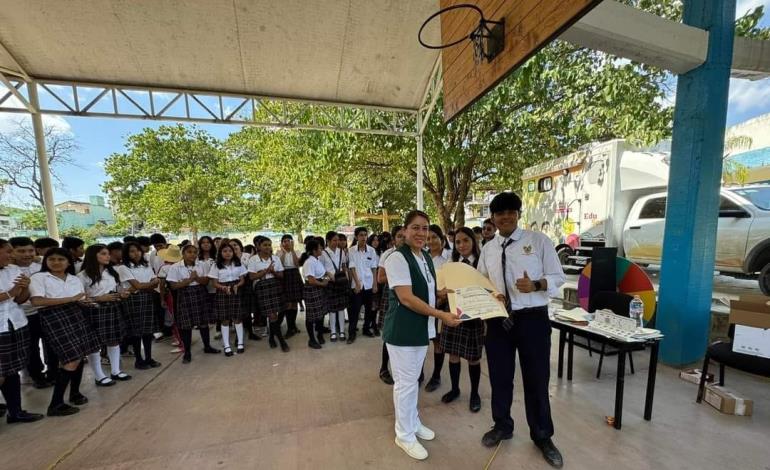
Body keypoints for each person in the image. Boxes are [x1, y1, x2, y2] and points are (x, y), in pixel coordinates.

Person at [477, 192, 566, 468]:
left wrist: (537, 285)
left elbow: (558, 277)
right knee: (500, 378)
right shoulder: (489, 248)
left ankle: (542, 436)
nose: (505, 217)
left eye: (511, 211)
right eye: (500, 213)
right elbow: (482, 281)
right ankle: (502, 425)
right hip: (498, 320)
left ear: (518, 214)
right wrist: (491, 295)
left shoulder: (538, 242)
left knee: (537, 379)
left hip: (532, 319)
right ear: (493, 217)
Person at [382, 210, 461, 461]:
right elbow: (406, 298)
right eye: (415, 228)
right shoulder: (397, 258)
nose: (421, 233)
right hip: (403, 330)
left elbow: (427, 291)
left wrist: (445, 293)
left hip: (420, 328)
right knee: (405, 384)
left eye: (425, 228)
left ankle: (413, 422)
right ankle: (404, 435)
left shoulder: (425, 257)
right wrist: (441, 314)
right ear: (404, 230)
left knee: (413, 379)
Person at [29, 248, 101, 416]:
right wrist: (71, 299)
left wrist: (88, 303)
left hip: (76, 314)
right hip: (54, 318)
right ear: (45, 260)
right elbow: (37, 301)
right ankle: (56, 403)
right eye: (51, 259)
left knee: (80, 355)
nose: (56, 262)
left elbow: (80, 299)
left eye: (60, 259)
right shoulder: (39, 278)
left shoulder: (73, 279)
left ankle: (75, 393)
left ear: (68, 262)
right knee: (71, 359)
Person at [439, 227, 484, 412]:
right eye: (458, 242)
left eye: (466, 240)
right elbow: (443, 286)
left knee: (473, 357)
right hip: (454, 312)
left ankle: (474, 393)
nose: (462, 245)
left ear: (473, 241)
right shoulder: (451, 263)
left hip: (475, 315)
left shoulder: (481, 263)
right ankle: (455, 388)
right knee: (453, 354)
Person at [0, 238, 44, 424]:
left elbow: (20, 299)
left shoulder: (13, 270)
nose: (11, 256)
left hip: (16, 322)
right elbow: (11, 294)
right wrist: (14, 290)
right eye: (8, 252)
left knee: (11, 370)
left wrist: (24, 288)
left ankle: (15, 411)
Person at [78, 245, 131, 385]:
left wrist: (121, 294)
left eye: (108, 254)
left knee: (114, 340)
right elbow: (79, 299)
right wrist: (98, 298)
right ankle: (99, 375)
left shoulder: (111, 272)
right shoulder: (83, 276)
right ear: (93, 256)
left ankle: (116, 370)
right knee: (94, 344)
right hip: (94, 310)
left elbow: (117, 289)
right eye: (103, 254)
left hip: (112, 308)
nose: (107, 256)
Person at [166, 244, 221, 364]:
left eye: (195, 252)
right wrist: (190, 280)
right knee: (186, 325)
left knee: (203, 322)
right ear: (183, 254)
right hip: (184, 295)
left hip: (200, 293)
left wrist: (196, 279)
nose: (192, 255)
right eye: (189, 252)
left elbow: (206, 281)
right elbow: (173, 286)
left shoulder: (201, 265)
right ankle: (187, 352)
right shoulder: (175, 267)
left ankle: (207, 346)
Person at [9, 237, 52, 389]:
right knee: (31, 347)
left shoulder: (40, 266)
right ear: (11, 252)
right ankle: (37, 375)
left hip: (44, 310)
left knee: (50, 342)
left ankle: (52, 371)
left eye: (30, 250)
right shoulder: (10, 270)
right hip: (24, 314)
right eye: (21, 251)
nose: (27, 254)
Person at [117, 241, 161, 370]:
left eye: (138, 250)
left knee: (148, 331)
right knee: (136, 332)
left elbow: (155, 281)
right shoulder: (123, 267)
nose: (136, 253)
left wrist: (146, 285)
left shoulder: (145, 265)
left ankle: (148, 357)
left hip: (147, 298)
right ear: (126, 253)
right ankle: (139, 359)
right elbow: (138, 286)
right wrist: (148, 285)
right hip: (133, 301)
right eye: (132, 251)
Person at [248, 236, 289, 352]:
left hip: (275, 286)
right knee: (272, 315)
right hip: (262, 287)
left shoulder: (275, 258)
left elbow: (281, 275)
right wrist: (265, 271)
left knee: (278, 312)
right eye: (264, 245)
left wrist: (273, 272)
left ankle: (271, 337)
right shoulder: (253, 259)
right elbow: (251, 277)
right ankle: (281, 340)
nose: (267, 247)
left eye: (269, 245)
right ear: (258, 247)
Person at [208, 239, 247, 356]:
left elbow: (242, 280)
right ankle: (227, 345)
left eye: (230, 251)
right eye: (225, 251)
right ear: (220, 253)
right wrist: (223, 288)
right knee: (225, 319)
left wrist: (237, 285)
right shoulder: (216, 265)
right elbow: (214, 283)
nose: (228, 253)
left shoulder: (238, 263)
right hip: (222, 292)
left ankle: (240, 343)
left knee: (237, 318)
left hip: (235, 291)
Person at [376, 226, 403, 385]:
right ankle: (384, 368)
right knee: (389, 333)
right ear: (393, 239)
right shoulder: (388, 254)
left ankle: (413, 371)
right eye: (399, 236)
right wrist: (398, 275)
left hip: (409, 295)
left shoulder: (414, 253)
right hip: (391, 294)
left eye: (404, 235)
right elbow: (380, 278)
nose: (402, 239)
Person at [424, 225, 448, 393]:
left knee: (437, 342)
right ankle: (418, 374)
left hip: (439, 307)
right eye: (428, 238)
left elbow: (450, 284)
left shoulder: (448, 260)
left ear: (442, 239)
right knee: (419, 341)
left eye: (434, 237)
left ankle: (436, 376)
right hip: (421, 306)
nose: (431, 241)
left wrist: (440, 299)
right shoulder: (421, 258)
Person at [298, 239, 329, 349]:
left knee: (320, 314)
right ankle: (312, 339)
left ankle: (320, 334)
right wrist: (323, 283)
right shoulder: (309, 262)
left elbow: (323, 273)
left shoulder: (317, 259)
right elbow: (311, 280)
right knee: (311, 316)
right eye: (320, 248)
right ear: (314, 250)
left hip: (319, 289)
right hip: (312, 290)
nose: (321, 249)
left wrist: (325, 279)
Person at [348, 227, 378, 338]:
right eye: (361, 235)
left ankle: (366, 329)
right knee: (354, 310)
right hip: (357, 286)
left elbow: (374, 267)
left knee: (369, 309)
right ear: (356, 237)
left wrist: (375, 283)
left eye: (365, 235)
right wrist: (357, 283)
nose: (364, 237)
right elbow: (352, 267)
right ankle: (352, 333)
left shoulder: (371, 250)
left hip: (369, 284)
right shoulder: (351, 250)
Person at [321, 231, 347, 343]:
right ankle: (333, 332)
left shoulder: (341, 251)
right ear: (328, 241)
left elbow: (343, 266)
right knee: (332, 309)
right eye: (334, 240)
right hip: (330, 283)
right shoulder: (323, 253)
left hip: (340, 282)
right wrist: (327, 273)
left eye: (338, 240)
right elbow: (320, 268)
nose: (337, 242)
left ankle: (341, 331)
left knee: (341, 308)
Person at [277, 235, 302, 338]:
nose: (286, 243)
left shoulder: (297, 251)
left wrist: (292, 251)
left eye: (288, 241)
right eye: (284, 241)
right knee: (288, 304)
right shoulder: (279, 253)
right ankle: (290, 327)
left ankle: (293, 326)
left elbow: (297, 264)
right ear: (282, 243)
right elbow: (280, 264)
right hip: (285, 275)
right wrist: (283, 252)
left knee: (295, 303)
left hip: (295, 275)